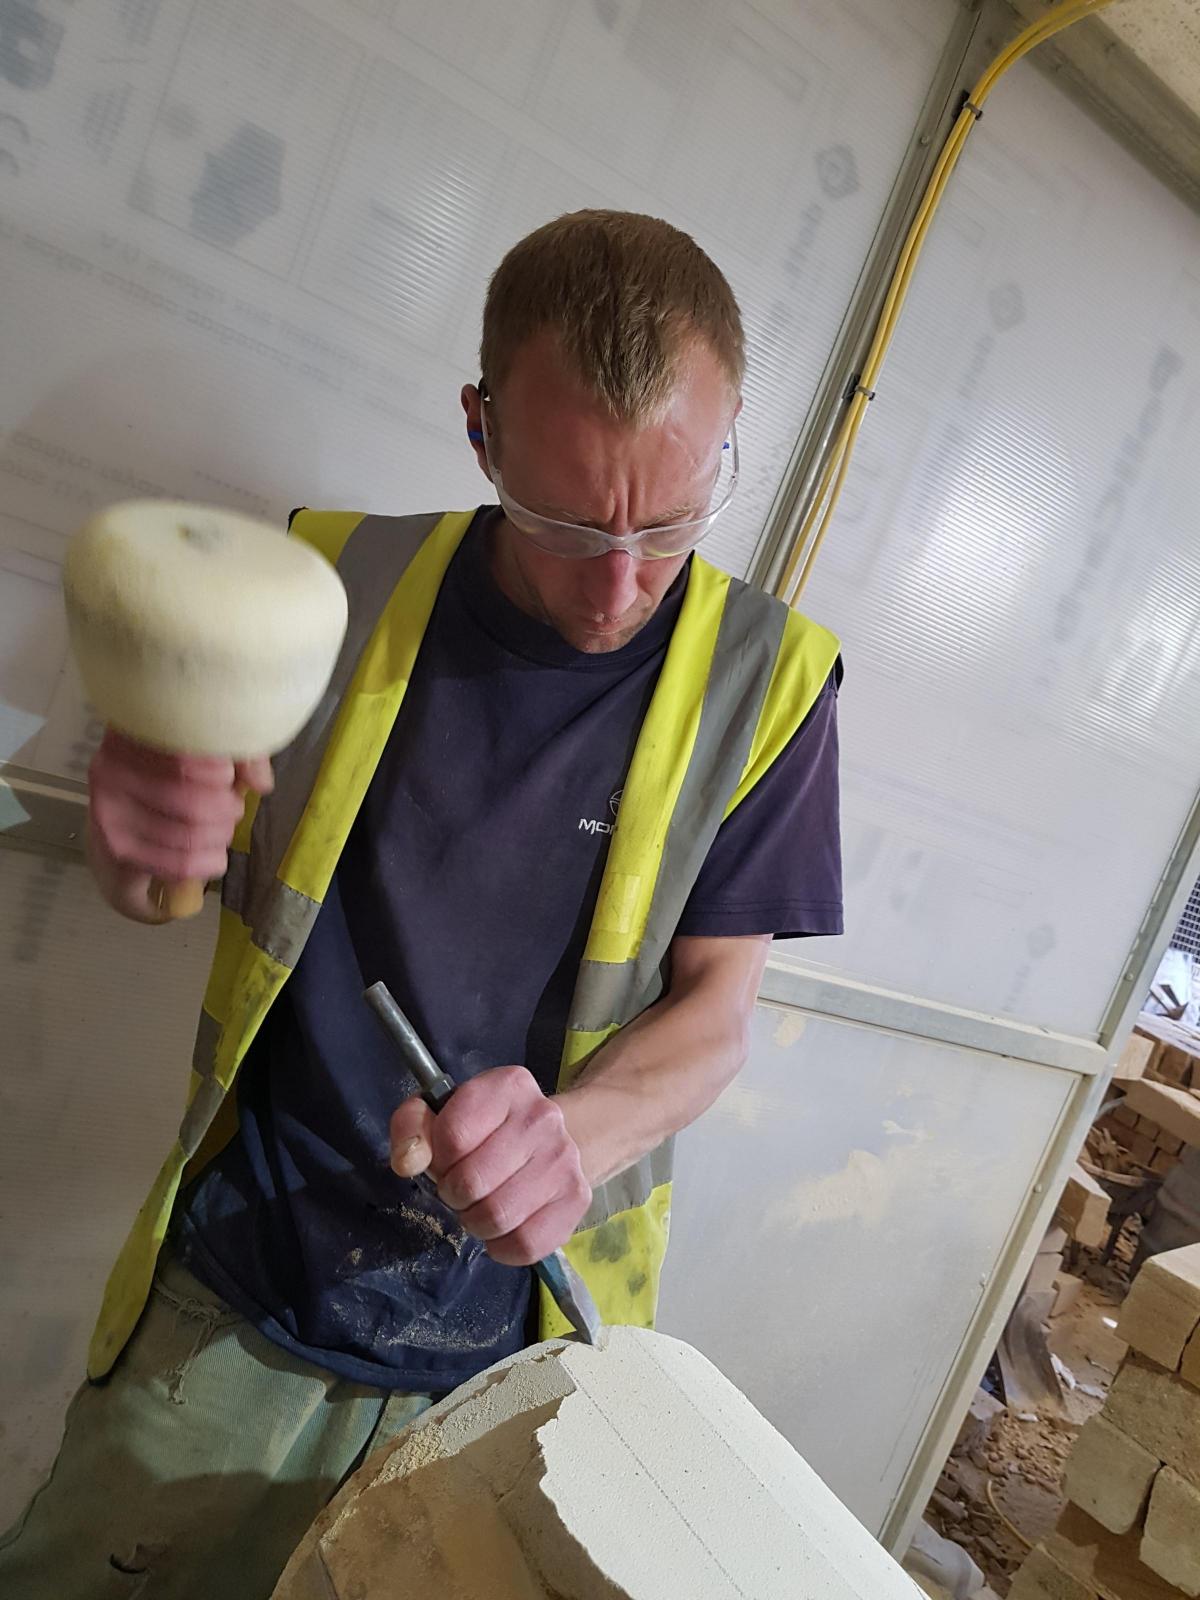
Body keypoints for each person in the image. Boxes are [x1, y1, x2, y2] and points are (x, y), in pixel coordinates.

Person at [0, 210, 842, 1598]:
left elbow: (717, 1013)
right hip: (244, 1293)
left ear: (731, 432)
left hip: (518, 1349)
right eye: (569, 523)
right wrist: (145, 848)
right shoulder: (327, 585)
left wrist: (567, 1137)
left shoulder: (773, 683)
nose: (622, 586)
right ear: (480, 427)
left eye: (676, 519)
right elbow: (170, 886)